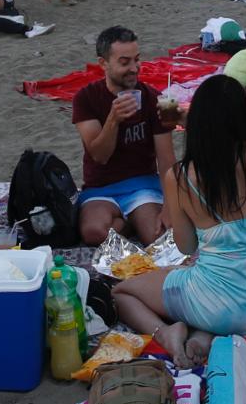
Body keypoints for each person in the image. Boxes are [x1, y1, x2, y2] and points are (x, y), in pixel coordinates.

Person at [113, 74, 246, 369]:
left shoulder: (183, 177)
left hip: (214, 302)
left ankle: (168, 333)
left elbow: (186, 245)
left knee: (122, 292)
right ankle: (203, 334)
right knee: (208, 280)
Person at [72, 26, 178, 246]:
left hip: (143, 186)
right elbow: (99, 156)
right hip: (101, 187)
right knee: (93, 233)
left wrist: (169, 207)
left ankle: (131, 221)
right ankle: (129, 223)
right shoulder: (86, 98)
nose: (134, 68)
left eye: (136, 59)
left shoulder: (152, 98)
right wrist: (113, 119)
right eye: (124, 62)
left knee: (157, 238)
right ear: (103, 64)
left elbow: (167, 159)